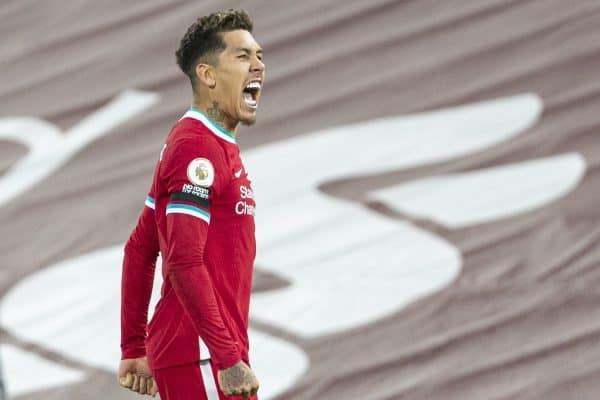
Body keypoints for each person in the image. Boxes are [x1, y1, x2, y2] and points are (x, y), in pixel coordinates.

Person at [118, 9, 264, 400]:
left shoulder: (198, 142)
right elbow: (182, 259)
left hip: (200, 353)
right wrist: (226, 357)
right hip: (203, 356)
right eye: (243, 56)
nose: (258, 66)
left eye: (259, 55)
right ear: (208, 75)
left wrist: (134, 346)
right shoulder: (196, 148)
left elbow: (140, 246)